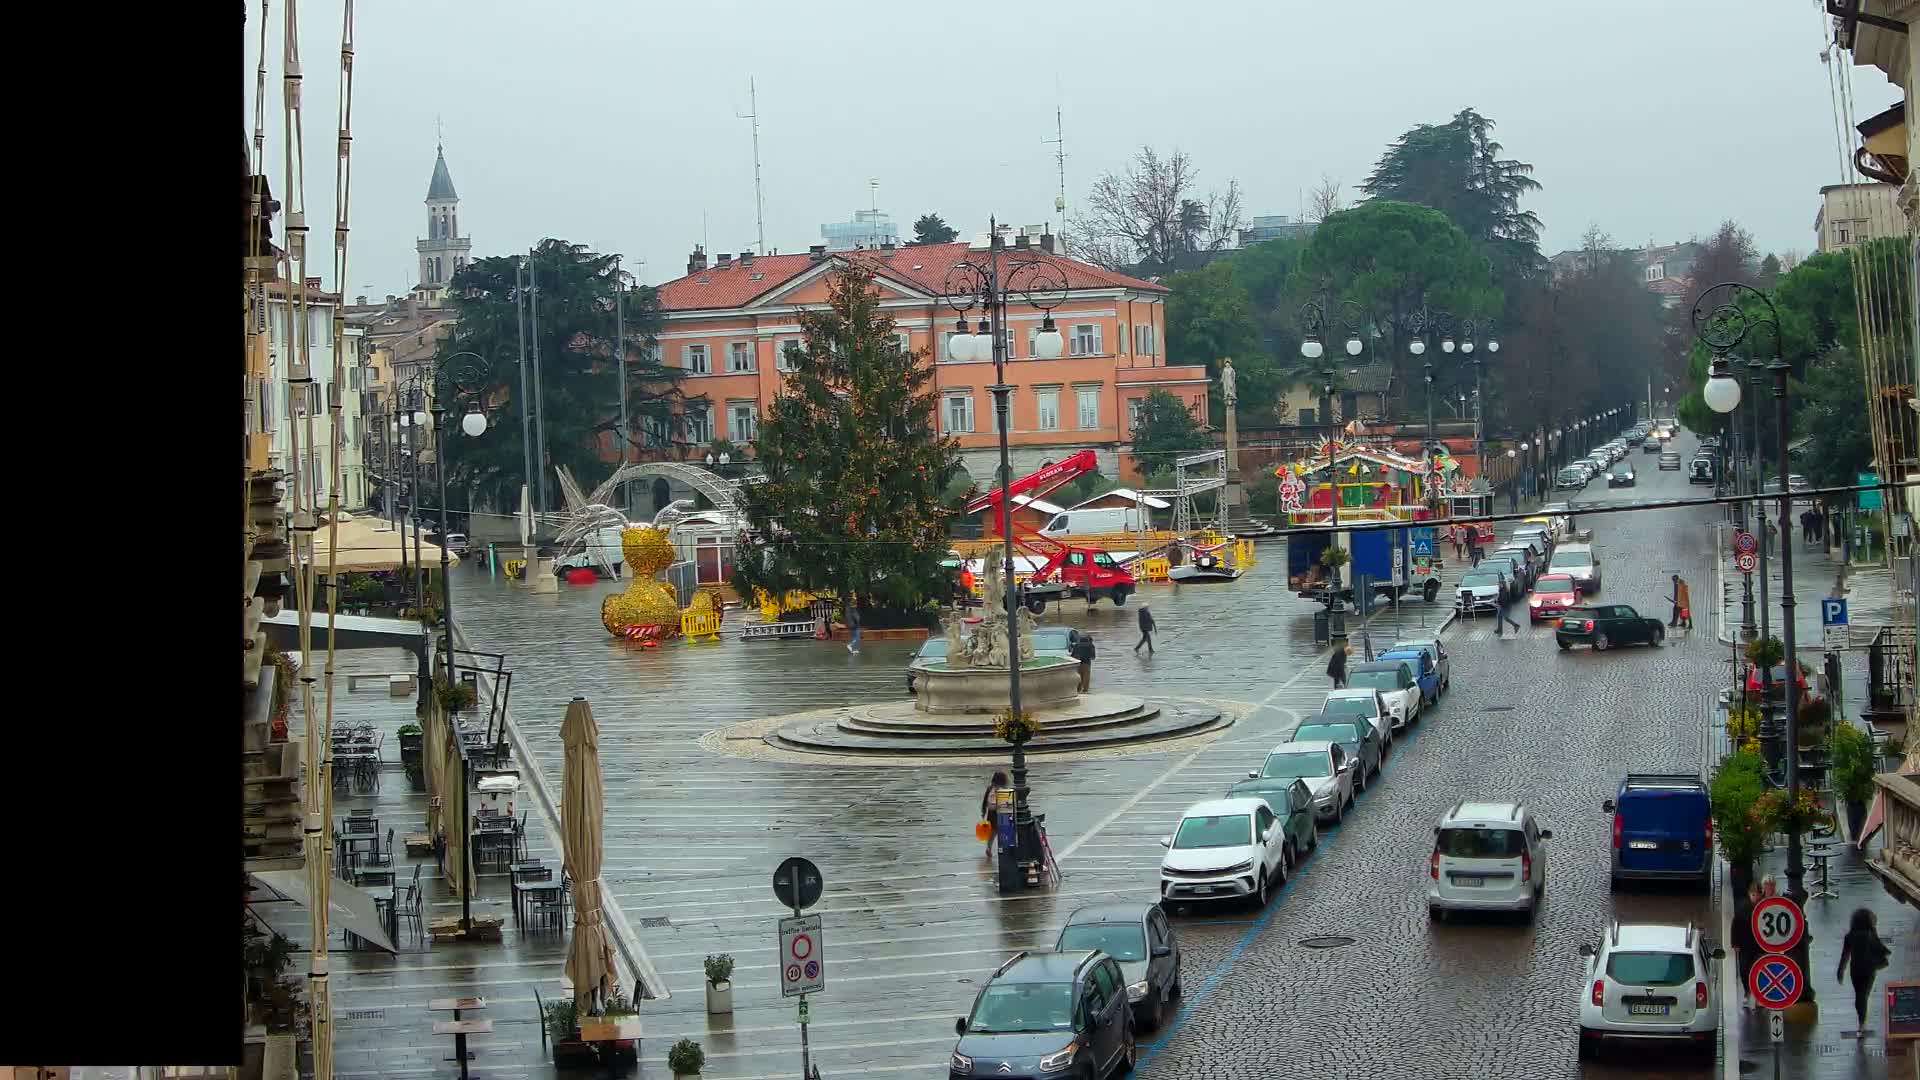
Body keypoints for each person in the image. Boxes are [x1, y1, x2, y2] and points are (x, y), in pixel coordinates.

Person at [1838, 907, 1892, 1037]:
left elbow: (1844, 955)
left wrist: (1841, 971)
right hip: (1869, 969)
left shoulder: (1849, 936)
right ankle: (1862, 1023)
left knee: (1859, 995)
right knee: (1864, 995)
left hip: (1855, 969)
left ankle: (1861, 1022)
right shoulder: (1870, 934)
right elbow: (1882, 949)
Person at [1732, 880, 1762, 1009]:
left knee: (1758, 970)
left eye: (1757, 894)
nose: (1754, 897)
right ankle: (1747, 992)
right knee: (1744, 970)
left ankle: (1758, 995)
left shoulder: (1763, 907)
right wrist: (1734, 943)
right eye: (1752, 894)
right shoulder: (1742, 907)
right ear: (1749, 894)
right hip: (1745, 945)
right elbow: (1735, 925)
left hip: (1759, 946)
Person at [981, 771, 1009, 857]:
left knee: (992, 832)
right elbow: (1007, 803)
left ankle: (989, 847)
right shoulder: (1003, 790)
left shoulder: (990, 788)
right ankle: (1003, 849)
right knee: (1003, 832)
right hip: (1000, 813)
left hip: (991, 813)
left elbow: (985, 800)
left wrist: (983, 811)